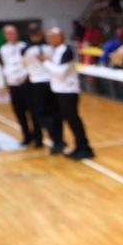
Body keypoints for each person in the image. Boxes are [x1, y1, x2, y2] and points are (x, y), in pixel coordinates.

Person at [44, 27, 93, 160]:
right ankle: (78, 147)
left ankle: (85, 148)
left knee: (74, 120)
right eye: (48, 37)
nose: (50, 39)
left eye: (52, 36)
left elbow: (60, 73)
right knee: (69, 121)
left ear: (61, 37)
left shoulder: (66, 50)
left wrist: (45, 62)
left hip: (68, 91)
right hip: (59, 90)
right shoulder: (55, 51)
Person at [0, 24, 39, 146]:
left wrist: (29, 76)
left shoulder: (24, 46)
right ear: (4, 35)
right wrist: (1, 84)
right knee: (19, 112)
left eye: (13, 32)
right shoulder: (2, 49)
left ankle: (37, 136)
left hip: (27, 83)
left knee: (33, 111)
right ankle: (26, 136)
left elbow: (32, 63)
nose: (11, 35)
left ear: (17, 33)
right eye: (8, 33)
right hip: (13, 84)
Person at [22, 23, 60, 150]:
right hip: (52, 83)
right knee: (54, 112)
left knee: (42, 114)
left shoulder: (25, 50)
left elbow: (25, 66)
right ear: (41, 33)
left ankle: (50, 139)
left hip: (37, 84)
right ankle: (58, 140)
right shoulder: (50, 48)